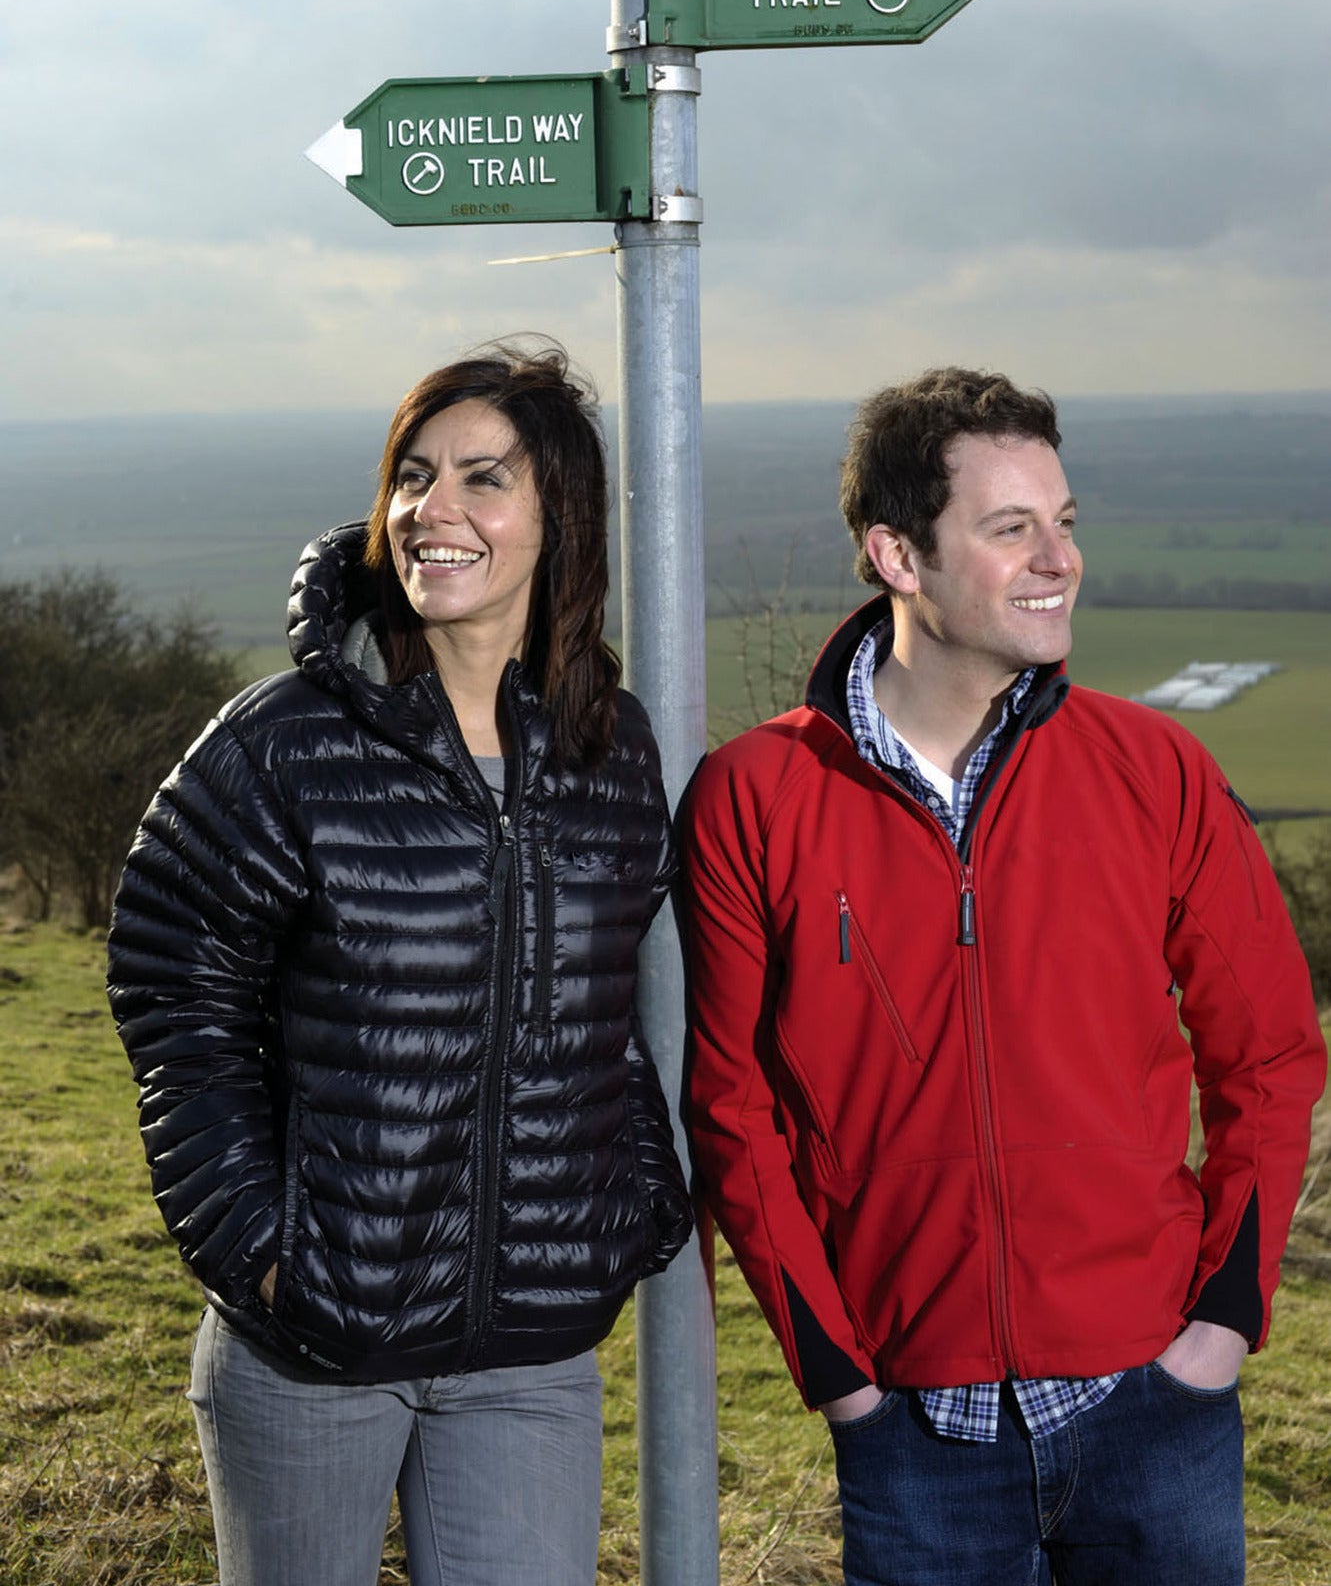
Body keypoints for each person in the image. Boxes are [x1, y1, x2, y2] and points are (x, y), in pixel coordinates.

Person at [684, 365, 1325, 1586]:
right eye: (1009, 526)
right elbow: (732, 1106)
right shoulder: (755, 798)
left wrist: (1222, 1321)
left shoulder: (1154, 768)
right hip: (913, 1428)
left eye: (1063, 520)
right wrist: (838, 1372)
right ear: (897, 555)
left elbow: (1271, 1052)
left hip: (1154, 1402)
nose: (1057, 557)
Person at [108, 341, 691, 1586]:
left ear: (560, 519)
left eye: (484, 479)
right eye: (414, 477)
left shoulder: (610, 751)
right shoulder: (288, 743)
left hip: (528, 1351)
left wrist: (622, 1203)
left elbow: (613, 1011)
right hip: (313, 1340)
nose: (435, 511)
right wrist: (262, 1246)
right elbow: (173, 988)